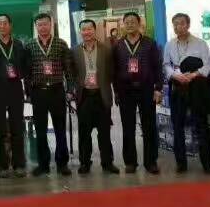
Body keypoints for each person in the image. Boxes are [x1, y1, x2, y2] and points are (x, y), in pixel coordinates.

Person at [112, 12, 163, 175]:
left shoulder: (149, 43)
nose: (130, 25)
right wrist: (116, 91)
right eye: (126, 22)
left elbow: (157, 66)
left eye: (133, 22)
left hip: (146, 88)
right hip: (125, 90)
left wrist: (158, 88)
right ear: (123, 25)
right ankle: (130, 162)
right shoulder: (118, 45)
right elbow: (114, 70)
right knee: (128, 127)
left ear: (139, 23)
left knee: (149, 126)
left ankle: (151, 162)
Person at [26, 13, 75, 177]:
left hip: (57, 91)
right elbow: (27, 72)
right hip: (38, 92)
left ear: (51, 25)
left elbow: (68, 69)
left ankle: (62, 163)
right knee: (40, 130)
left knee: (60, 129)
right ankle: (43, 164)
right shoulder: (30, 45)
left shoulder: (61, 44)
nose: (43, 27)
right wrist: (28, 92)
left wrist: (70, 90)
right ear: (36, 27)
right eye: (39, 25)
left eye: (45, 24)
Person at [163, 13, 210, 174]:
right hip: (178, 86)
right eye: (175, 24)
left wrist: (193, 75)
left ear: (188, 24)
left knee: (201, 124)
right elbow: (166, 64)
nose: (179, 27)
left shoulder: (200, 43)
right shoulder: (170, 44)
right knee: (177, 126)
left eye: (182, 23)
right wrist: (174, 75)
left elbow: (208, 66)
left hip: (197, 87)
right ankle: (181, 163)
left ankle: (207, 164)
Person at [72, 19, 119, 175]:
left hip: (101, 95)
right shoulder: (75, 51)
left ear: (94, 30)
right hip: (84, 95)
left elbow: (112, 72)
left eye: (89, 29)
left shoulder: (106, 50)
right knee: (84, 133)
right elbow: (72, 73)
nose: (86, 32)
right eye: (83, 29)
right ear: (80, 32)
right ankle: (85, 162)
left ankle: (107, 162)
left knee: (104, 132)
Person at [0, 13, 31, 178]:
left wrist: (25, 85)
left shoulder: (19, 45)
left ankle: (19, 164)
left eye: (5, 23)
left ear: (10, 25)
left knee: (17, 127)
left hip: (15, 89)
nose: (2, 26)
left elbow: (25, 68)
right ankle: (2, 166)